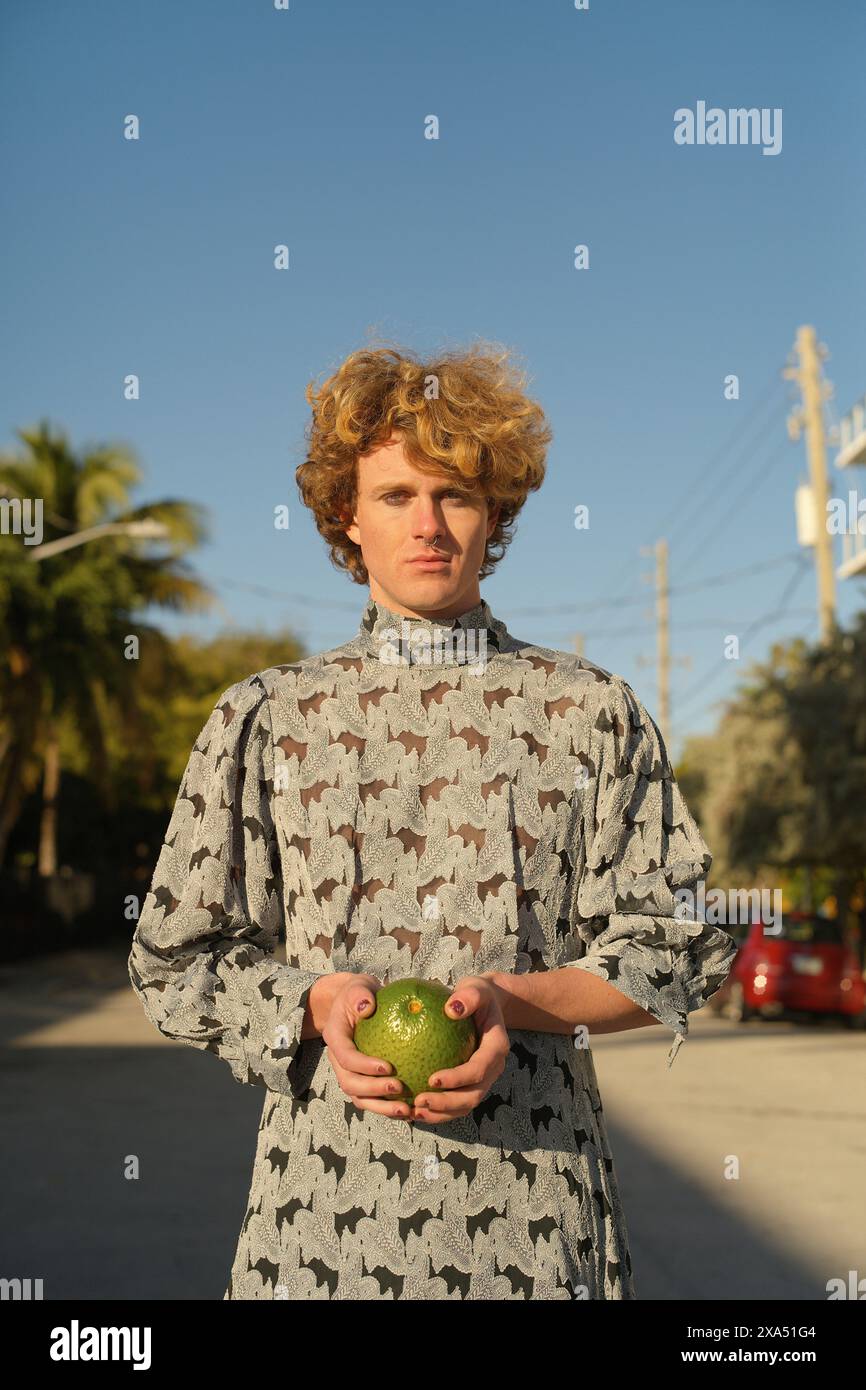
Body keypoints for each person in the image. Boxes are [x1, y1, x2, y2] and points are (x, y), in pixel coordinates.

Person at [127, 341, 737, 1299]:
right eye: (396, 496)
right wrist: (313, 1005)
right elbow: (175, 954)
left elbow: (681, 945)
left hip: (540, 1231)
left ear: (494, 515)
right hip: (315, 1235)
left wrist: (510, 1003)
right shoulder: (265, 715)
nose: (430, 525)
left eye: (456, 495)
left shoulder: (590, 709)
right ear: (346, 517)